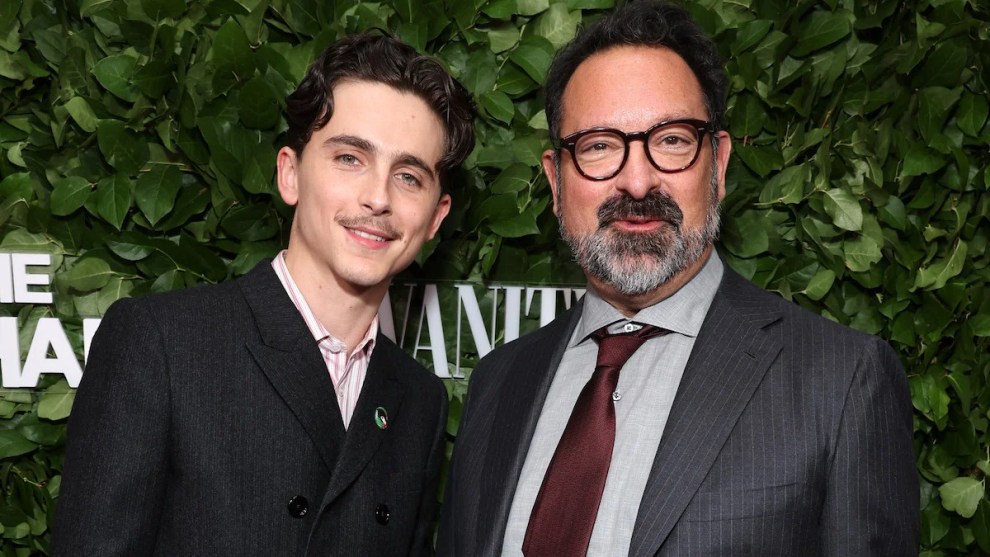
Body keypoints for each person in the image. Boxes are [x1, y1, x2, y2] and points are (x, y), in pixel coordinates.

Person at [437, 2, 917, 555]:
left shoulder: (842, 381)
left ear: (719, 164)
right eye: (599, 146)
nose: (638, 182)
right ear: (555, 180)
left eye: (672, 140)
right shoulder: (498, 383)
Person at [52, 31, 474, 556]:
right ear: (290, 174)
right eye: (350, 158)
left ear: (434, 218)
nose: (377, 197)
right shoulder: (161, 344)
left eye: (409, 177)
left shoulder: (419, 400)